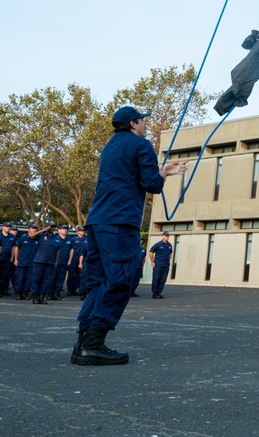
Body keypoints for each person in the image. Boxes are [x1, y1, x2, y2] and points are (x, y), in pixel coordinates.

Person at [72, 105, 185, 366]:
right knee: (119, 282)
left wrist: (162, 171)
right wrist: (161, 175)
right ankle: (93, 345)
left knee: (98, 283)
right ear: (133, 124)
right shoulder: (140, 145)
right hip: (120, 223)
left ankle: (82, 344)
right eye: (142, 122)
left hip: (98, 222)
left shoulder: (110, 147)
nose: (146, 126)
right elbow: (151, 184)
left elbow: (130, 177)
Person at [30, 223, 58, 304]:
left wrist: (56, 260)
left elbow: (58, 249)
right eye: (50, 226)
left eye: (53, 226)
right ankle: (35, 296)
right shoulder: (41, 235)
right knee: (36, 279)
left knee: (46, 280)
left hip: (50, 262)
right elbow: (31, 236)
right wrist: (43, 230)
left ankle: (42, 296)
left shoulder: (56, 237)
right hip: (39, 261)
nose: (51, 228)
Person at [13, 224, 40, 300]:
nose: (34, 229)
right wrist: (16, 259)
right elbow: (17, 248)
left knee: (29, 280)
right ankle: (18, 293)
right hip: (22, 261)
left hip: (32, 262)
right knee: (20, 278)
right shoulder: (23, 238)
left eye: (35, 228)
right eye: (32, 228)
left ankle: (25, 293)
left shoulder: (37, 239)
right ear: (28, 229)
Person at [51, 224, 74, 300]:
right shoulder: (54, 238)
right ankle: (50, 293)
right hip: (55, 262)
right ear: (59, 230)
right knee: (52, 278)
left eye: (66, 229)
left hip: (64, 262)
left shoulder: (70, 240)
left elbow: (71, 250)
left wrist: (70, 260)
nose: (65, 230)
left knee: (61, 279)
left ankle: (56, 294)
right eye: (63, 228)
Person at [0, 223, 17, 297]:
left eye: (9, 227)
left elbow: (13, 248)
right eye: (6, 226)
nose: (8, 228)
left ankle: (0, 290)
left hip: (7, 258)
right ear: (3, 227)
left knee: (4, 276)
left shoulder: (12, 237)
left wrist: (12, 257)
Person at [149, 232, 173, 299]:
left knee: (163, 279)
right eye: (166, 236)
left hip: (165, 265)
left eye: (168, 236)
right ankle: (154, 293)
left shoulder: (169, 245)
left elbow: (170, 254)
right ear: (163, 236)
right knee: (156, 278)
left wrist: (168, 260)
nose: (167, 237)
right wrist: (152, 261)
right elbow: (151, 252)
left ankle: (159, 293)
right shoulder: (158, 244)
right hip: (158, 264)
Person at [68, 226, 87, 296]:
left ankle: (75, 288)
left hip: (82, 259)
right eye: (81, 231)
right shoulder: (73, 239)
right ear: (78, 231)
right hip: (74, 259)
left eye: (84, 231)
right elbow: (70, 249)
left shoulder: (86, 240)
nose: (83, 232)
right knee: (71, 274)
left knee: (79, 275)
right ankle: (70, 289)